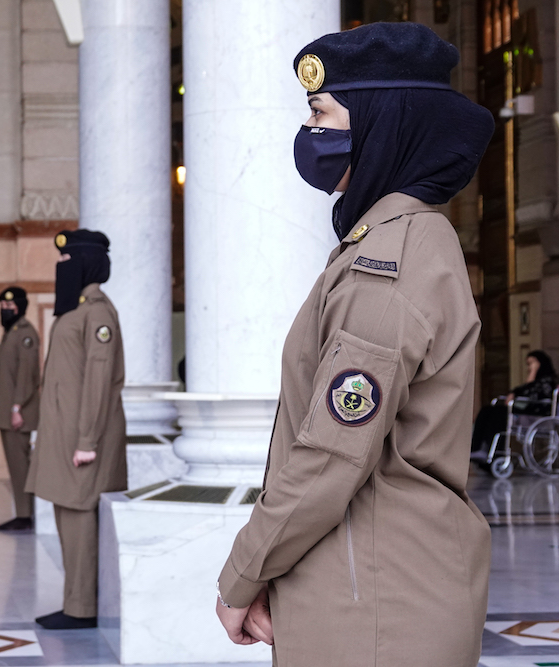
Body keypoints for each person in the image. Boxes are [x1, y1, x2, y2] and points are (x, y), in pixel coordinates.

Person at [214, 23, 495, 667]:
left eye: (322, 115)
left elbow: (332, 452)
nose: (312, 137)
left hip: (376, 607)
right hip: (375, 590)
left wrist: (243, 573)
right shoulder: (390, 244)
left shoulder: (390, 261)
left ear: (379, 124)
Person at [26, 229, 126, 630]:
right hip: (64, 435)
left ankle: (82, 608)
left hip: (83, 440)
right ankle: (75, 600)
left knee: (81, 522)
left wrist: (87, 440)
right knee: (68, 517)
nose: (61, 267)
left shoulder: (98, 313)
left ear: (86, 263)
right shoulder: (76, 310)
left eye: (69, 261)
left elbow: (98, 382)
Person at [0, 286, 41, 532]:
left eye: (9, 307)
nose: (5, 310)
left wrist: (16, 407)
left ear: (21, 307)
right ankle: (23, 513)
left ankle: (25, 515)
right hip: (9, 412)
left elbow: (27, 375)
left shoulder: (25, 334)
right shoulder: (10, 333)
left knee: (21, 466)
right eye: (2, 307)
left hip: (18, 413)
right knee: (16, 465)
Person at [472, 350, 558, 456]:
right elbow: (522, 390)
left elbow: (531, 394)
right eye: (528, 364)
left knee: (500, 414)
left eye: (532, 363)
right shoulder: (536, 381)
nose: (529, 367)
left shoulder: (548, 381)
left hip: (535, 412)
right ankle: (477, 447)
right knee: (487, 410)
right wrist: (513, 393)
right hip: (524, 408)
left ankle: (492, 451)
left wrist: (533, 372)